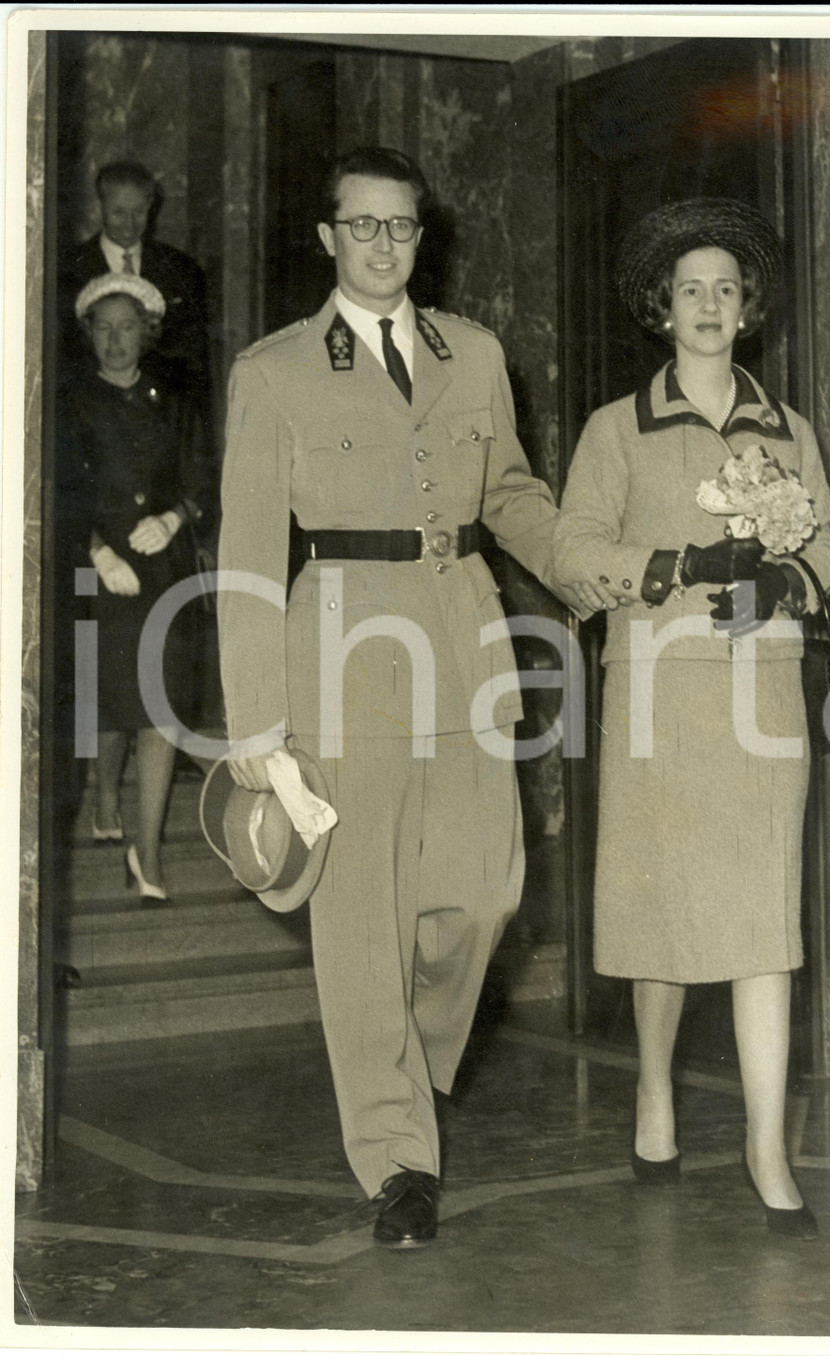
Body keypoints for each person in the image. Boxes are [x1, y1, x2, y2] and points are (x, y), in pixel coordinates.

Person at [216, 145, 586, 1247]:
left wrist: (583, 572)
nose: (385, 245)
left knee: (483, 897)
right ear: (327, 238)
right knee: (361, 925)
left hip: (463, 645)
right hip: (338, 659)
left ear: (424, 238)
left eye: (403, 227)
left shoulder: (471, 354)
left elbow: (509, 492)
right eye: (363, 226)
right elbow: (245, 552)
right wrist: (253, 720)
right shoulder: (274, 371)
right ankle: (395, 1161)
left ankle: (405, 1070)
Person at [554, 198, 830, 1239]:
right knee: (666, 924)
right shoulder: (613, 430)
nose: (709, 305)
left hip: (761, 701)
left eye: (726, 289)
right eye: (690, 291)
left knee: (764, 923)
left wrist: (789, 585)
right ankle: (655, 1095)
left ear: (747, 306)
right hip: (659, 701)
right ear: (659, 309)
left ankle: (766, 1148)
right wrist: (667, 566)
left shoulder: (789, 429)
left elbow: (828, 551)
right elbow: (571, 551)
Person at [60, 273, 213, 902]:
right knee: (110, 697)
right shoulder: (67, 397)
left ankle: (145, 854)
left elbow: (203, 473)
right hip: (96, 565)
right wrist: (96, 550)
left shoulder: (172, 392)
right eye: (103, 327)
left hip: (164, 566)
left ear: (148, 330)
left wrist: (175, 516)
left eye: (128, 327)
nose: (116, 339)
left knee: (162, 705)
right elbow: (56, 492)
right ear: (88, 332)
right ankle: (103, 797)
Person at [60, 160, 210, 407]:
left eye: (139, 212)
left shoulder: (182, 270)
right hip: (90, 412)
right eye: (118, 212)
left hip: (164, 413)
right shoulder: (67, 270)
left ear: (151, 207)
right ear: (100, 207)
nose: (129, 224)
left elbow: (196, 365)